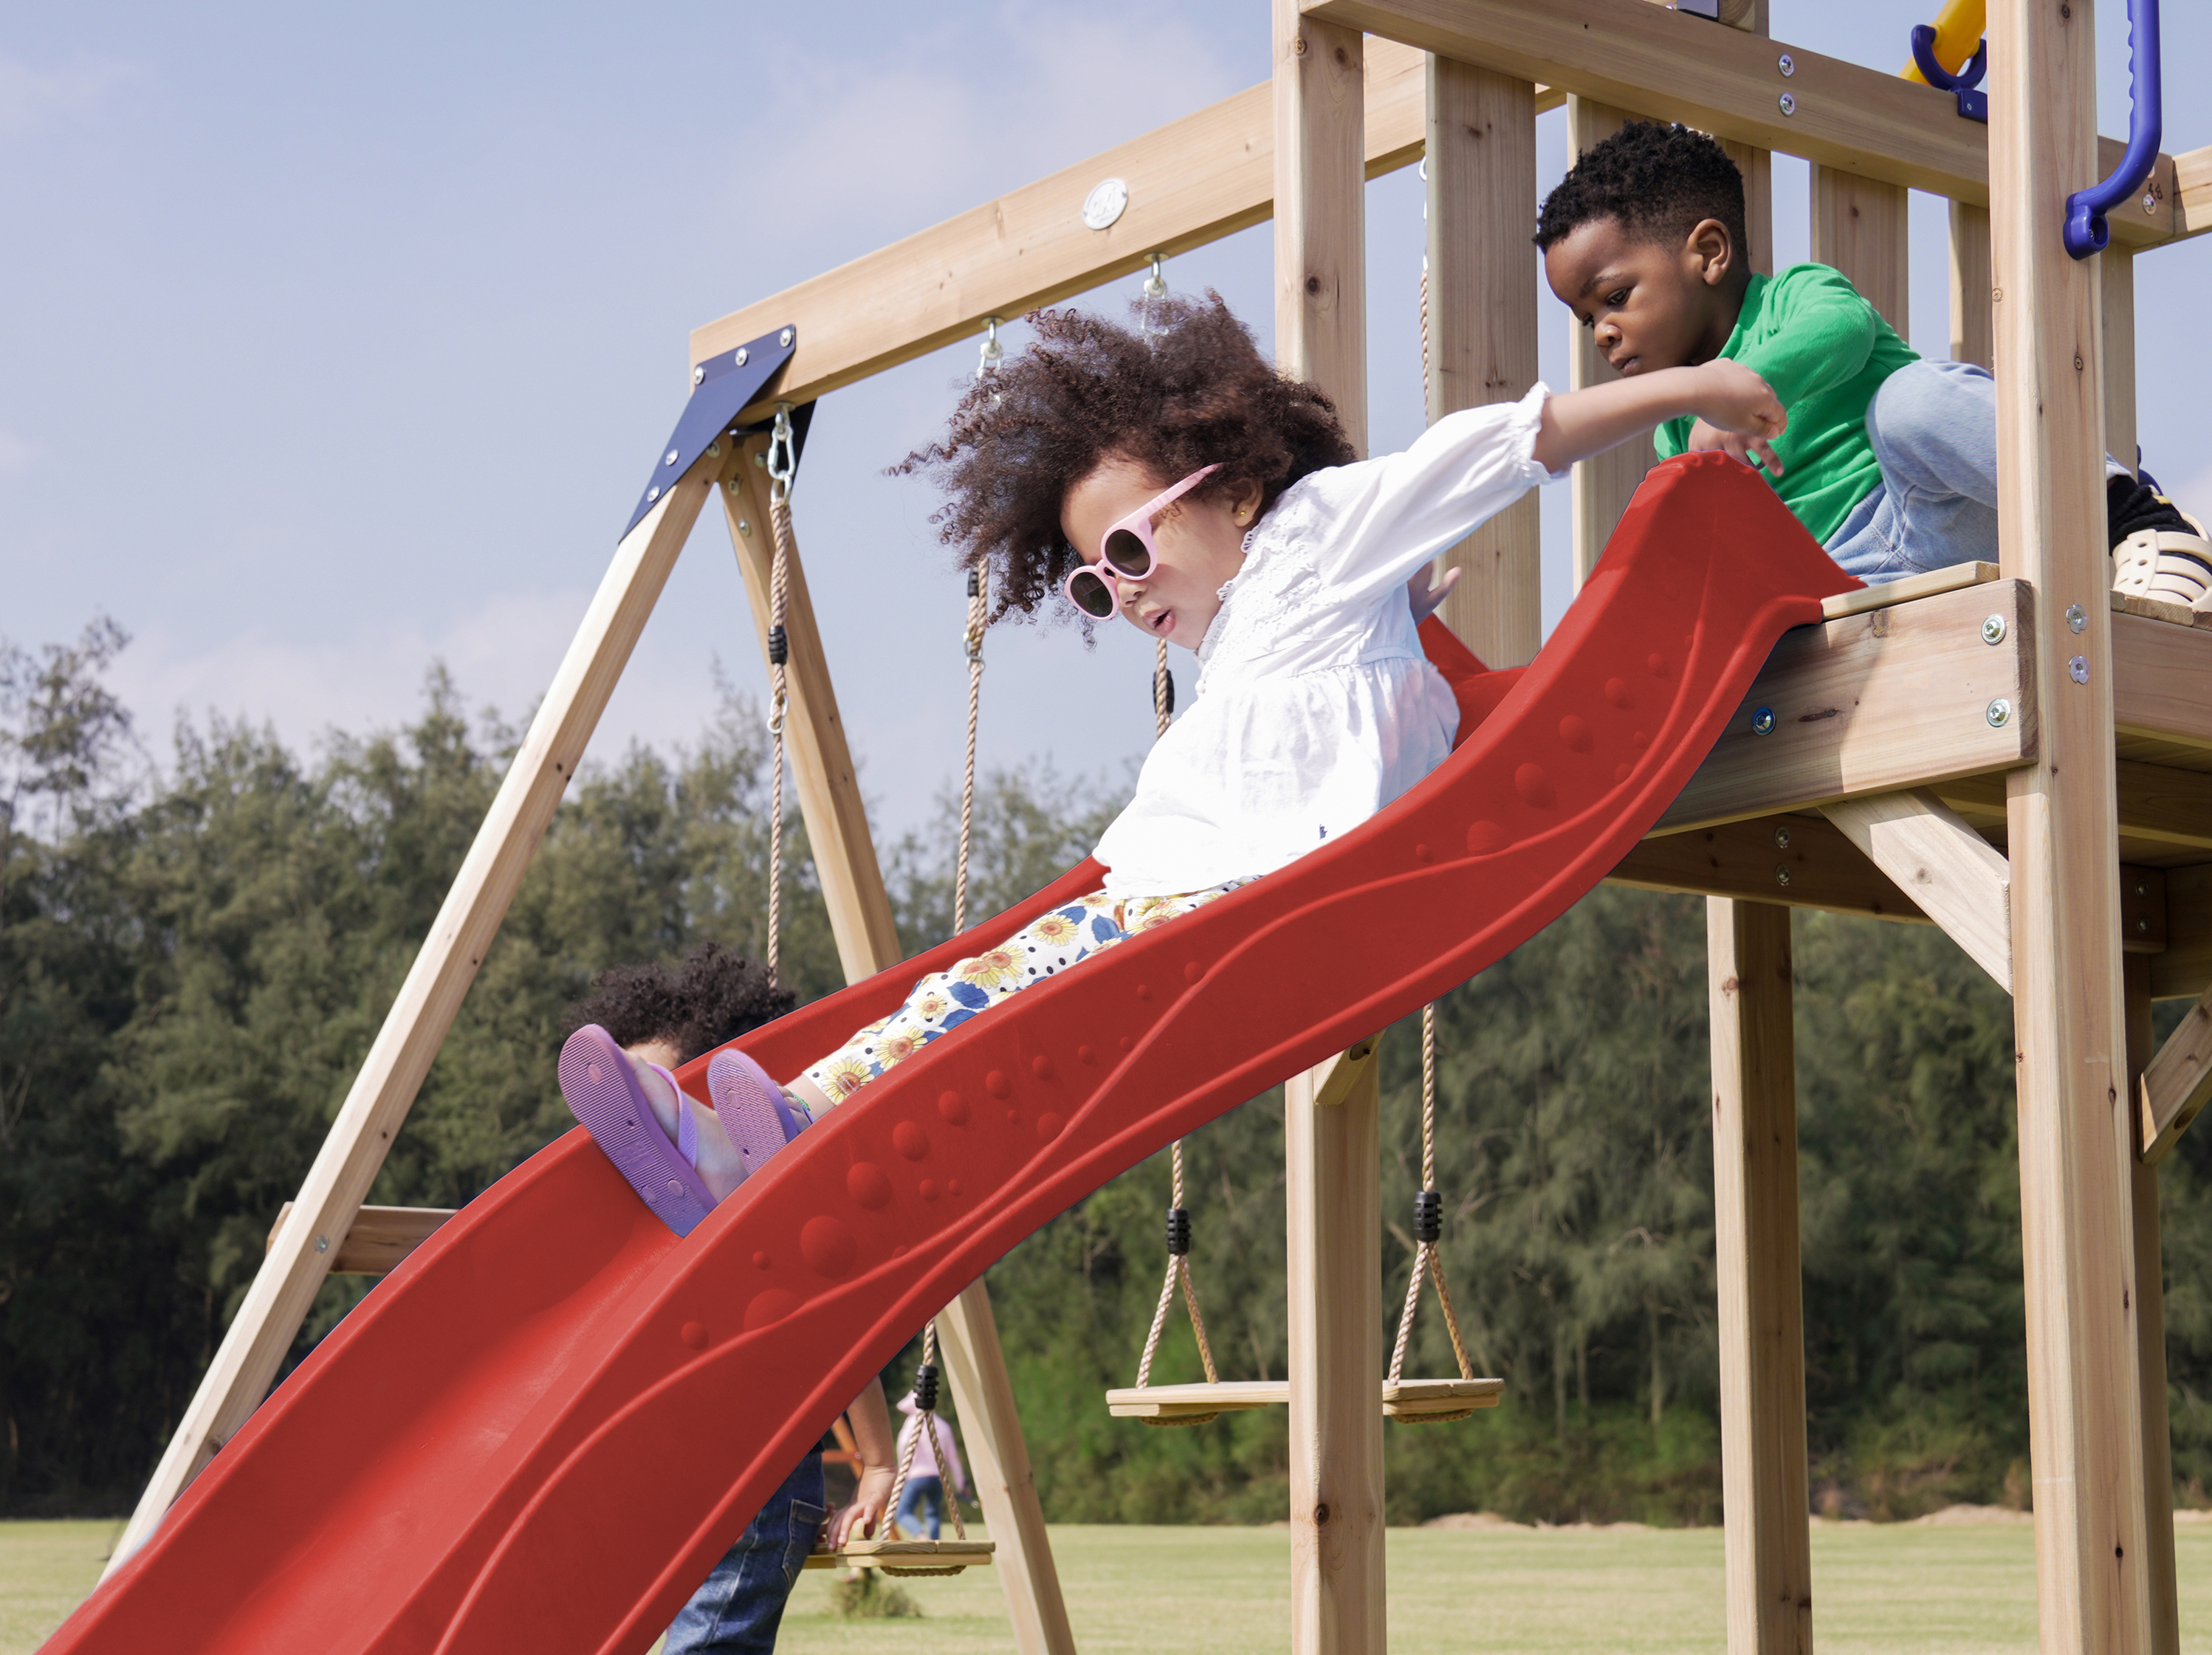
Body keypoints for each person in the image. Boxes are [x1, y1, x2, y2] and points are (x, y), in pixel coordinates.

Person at [560, 290, 1786, 1207]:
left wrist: (1692, 392)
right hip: (1178, 896)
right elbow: (1336, 694)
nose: (1122, 593)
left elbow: (1506, 446)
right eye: (1095, 586)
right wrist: (1406, 632)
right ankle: (779, 1128)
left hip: (1232, 906)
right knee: (962, 997)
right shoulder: (1268, 613)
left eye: (1132, 554)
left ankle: (785, 1128)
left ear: (1237, 487)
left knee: (982, 1007)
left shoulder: (1316, 529)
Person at [571, 946, 900, 1655]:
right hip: (729, 1480)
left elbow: (838, 1330)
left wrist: (881, 1461)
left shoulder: (764, 1256)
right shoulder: (653, 1240)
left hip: (761, 1480)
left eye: (664, 1107)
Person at [1534, 117, 2211, 607]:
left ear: (1708, 254)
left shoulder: (1796, 297)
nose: (1602, 332)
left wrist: (1750, 381)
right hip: (1850, 581)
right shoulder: (1675, 428)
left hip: (1935, 512)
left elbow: (1845, 329)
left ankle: (2134, 517)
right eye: (1587, 317)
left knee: (1909, 401)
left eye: (1616, 298)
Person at [892, 1389, 969, 1539]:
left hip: (916, 1475)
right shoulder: (943, 1426)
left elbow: (903, 1445)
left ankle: (920, 1535)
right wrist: (960, 1485)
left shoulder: (913, 1422)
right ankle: (935, 1543)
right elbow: (953, 1459)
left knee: (902, 1512)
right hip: (937, 1477)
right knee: (933, 1513)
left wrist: (902, 1470)